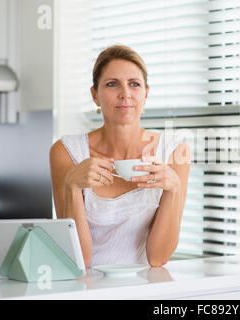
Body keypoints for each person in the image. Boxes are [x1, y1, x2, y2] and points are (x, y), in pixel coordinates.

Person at [49, 44, 191, 268]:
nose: (125, 94)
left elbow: (157, 258)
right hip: (86, 289)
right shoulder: (67, 152)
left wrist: (173, 190)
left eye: (134, 84)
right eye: (112, 84)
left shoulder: (174, 151)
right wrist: (72, 188)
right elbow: (80, 260)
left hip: (146, 288)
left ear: (146, 94)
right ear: (95, 95)